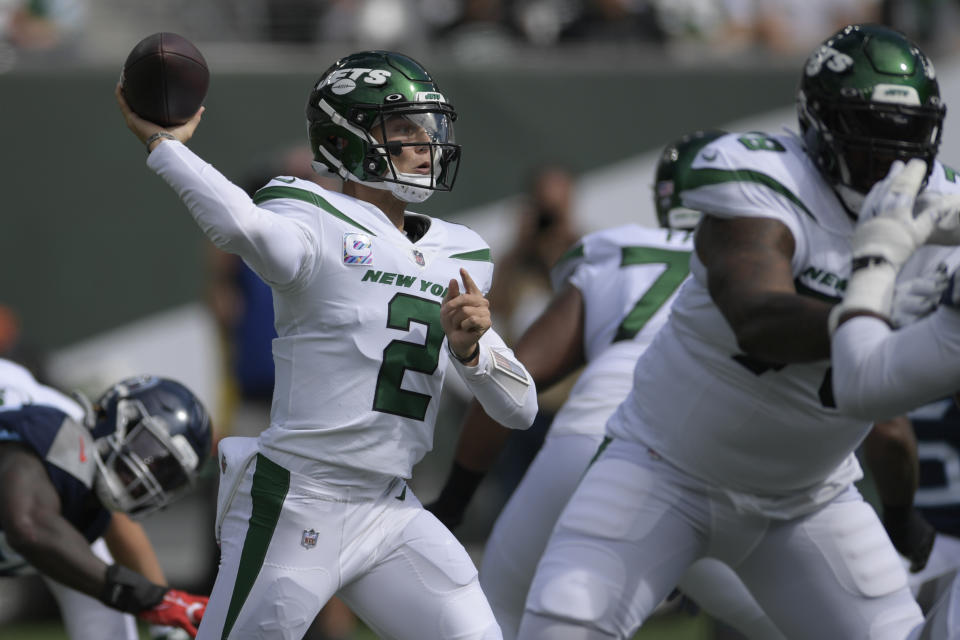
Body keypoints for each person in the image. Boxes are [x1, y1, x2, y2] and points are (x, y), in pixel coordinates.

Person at [515, 24, 959, 639]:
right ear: (819, 130)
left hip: (811, 499)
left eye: (908, 138)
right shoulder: (763, 177)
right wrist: (886, 315)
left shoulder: (944, 211)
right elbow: (757, 318)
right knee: (559, 629)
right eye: (872, 135)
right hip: (663, 468)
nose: (892, 161)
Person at [116, 49, 538, 640]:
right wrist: (167, 147)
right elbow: (241, 225)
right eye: (404, 127)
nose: (425, 142)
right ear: (347, 138)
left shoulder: (461, 251)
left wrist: (473, 352)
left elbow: (519, 408)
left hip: (390, 507)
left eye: (429, 127)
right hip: (299, 498)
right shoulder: (309, 215)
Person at [429, 129, 788, 639]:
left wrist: (454, 501)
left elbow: (510, 383)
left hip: (593, 438)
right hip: (714, 458)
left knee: (502, 613)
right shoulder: (772, 269)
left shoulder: (623, 252)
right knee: (794, 618)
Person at [0, 358, 212, 639]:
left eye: (166, 471)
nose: (146, 471)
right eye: (148, 449)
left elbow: (118, 531)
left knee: (106, 618)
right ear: (117, 417)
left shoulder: (86, 493)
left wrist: (167, 622)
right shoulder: (53, 436)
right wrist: (155, 599)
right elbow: (29, 527)